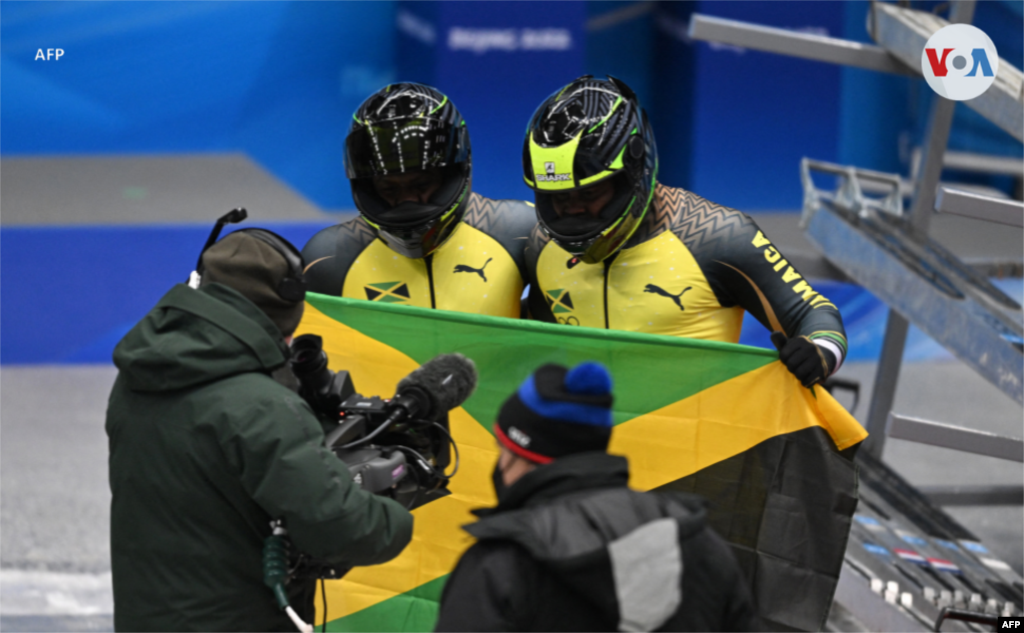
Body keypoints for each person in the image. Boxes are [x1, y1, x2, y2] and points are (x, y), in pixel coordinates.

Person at [106, 229, 414, 633]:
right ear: (279, 316)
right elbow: (343, 529)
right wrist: (396, 504)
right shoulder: (264, 407)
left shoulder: (134, 380)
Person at [522, 75, 847, 387]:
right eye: (557, 199)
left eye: (590, 194)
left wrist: (819, 351)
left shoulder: (718, 236)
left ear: (634, 172)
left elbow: (812, 312)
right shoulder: (539, 246)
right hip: (588, 440)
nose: (573, 210)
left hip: (698, 440)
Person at [433, 362, 757, 633]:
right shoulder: (697, 542)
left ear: (523, 453)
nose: (500, 464)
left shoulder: (501, 563)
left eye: (503, 449)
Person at [303, 82, 535, 317]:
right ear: (368, 189)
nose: (408, 200)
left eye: (421, 185)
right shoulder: (327, 259)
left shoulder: (520, 233)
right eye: (389, 189)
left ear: (454, 173)